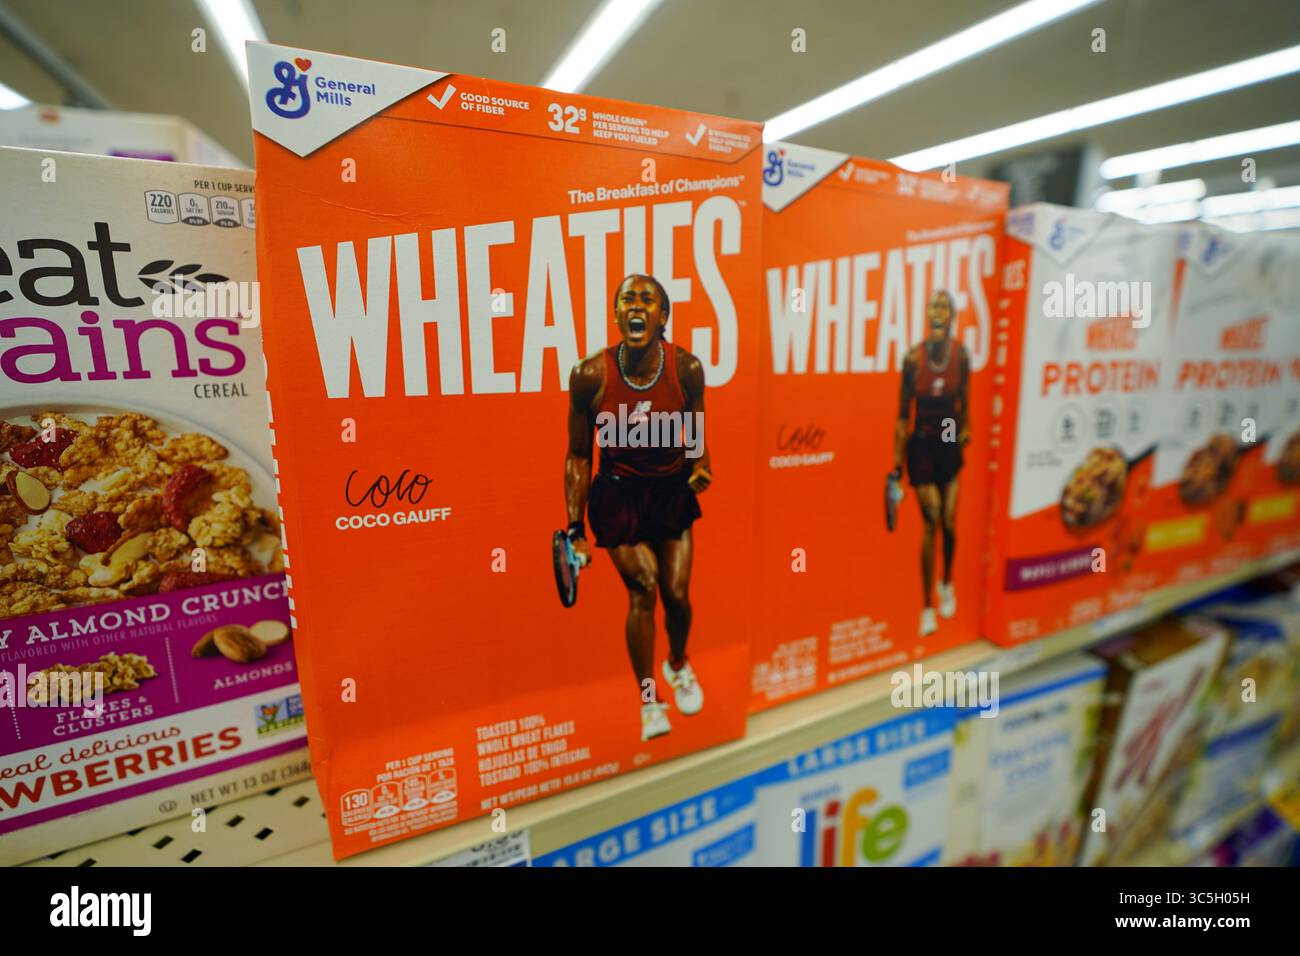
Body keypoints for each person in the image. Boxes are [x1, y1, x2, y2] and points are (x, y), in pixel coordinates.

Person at [564, 274, 712, 741]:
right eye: (628, 298)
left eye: (648, 299)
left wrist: (701, 467)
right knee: (644, 590)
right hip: (618, 499)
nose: (637, 305)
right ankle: (649, 700)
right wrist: (573, 529)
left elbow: (699, 436)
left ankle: (678, 663)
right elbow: (579, 455)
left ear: (662, 317)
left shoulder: (686, 369)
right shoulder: (590, 376)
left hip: (670, 495)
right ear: (617, 315)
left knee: (679, 596)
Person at [894, 290, 971, 637]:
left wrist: (962, 431)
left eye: (944, 307)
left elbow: (962, 407)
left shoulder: (961, 356)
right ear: (927, 316)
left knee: (950, 521)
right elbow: (901, 417)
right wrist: (896, 468)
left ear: (951, 316)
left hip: (949, 440)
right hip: (922, 444)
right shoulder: (913, 358)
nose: (938, 313)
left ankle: (947, 582)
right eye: (933, 307)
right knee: (932, 518)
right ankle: (926, 606)